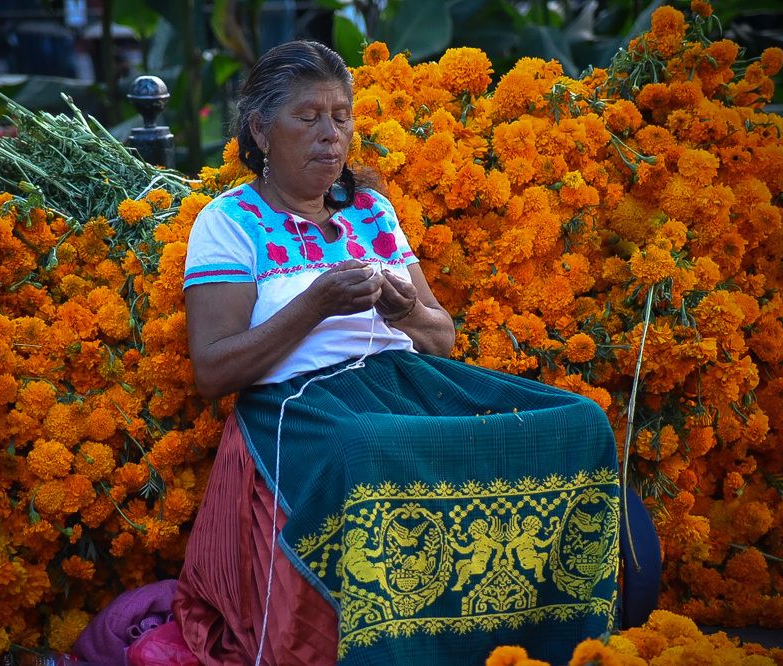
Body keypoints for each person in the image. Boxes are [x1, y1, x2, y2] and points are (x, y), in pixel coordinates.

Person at [172, 40, 622, 665]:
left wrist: (398, 306)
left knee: (578, 423)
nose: (331, 134)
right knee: (372, 448)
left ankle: (549, 644)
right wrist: (316, 303)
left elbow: (440, 338)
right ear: (260, 129)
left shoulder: (371, 212)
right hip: (301, 406)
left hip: (403, 381)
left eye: (341, 115)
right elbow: (213, 370)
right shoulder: (228, 222)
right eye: (308, 117)